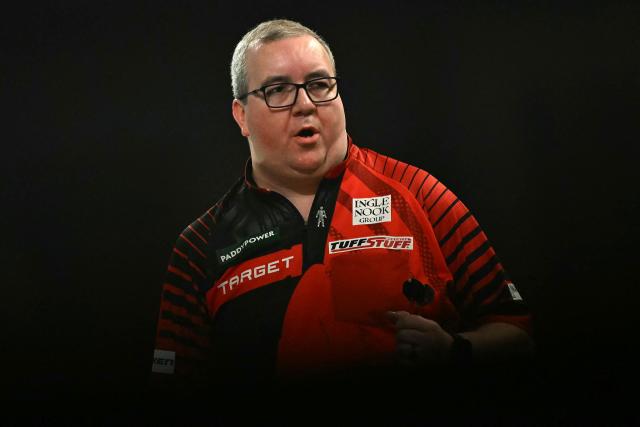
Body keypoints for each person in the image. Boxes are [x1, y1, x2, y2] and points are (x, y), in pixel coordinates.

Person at [150, 19, 533, 404]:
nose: (305, 104)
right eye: (278, 90)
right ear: (241, 115)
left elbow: (518, 332)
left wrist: (455, 351)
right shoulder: (199, 245)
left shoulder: (419, 194)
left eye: (319, 85)